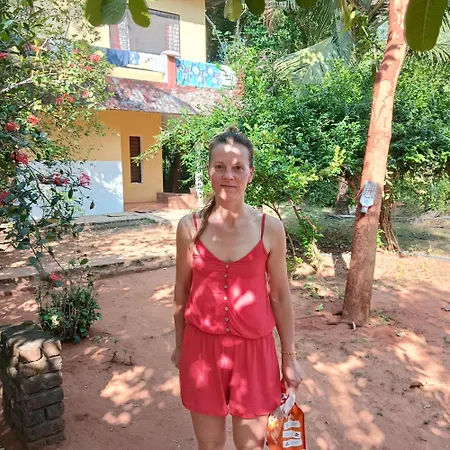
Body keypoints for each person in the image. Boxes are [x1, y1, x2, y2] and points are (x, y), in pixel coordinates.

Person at [171, 127, 304, 450]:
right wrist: (180, 345)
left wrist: (289, 358)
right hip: (201, 352)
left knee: (251, 446)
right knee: (210, 445)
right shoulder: (190, 227)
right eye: (220, 166)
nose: (228, 175)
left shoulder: (270, 228)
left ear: (250, 174)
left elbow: (279, 295)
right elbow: (182, 292)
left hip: (255, 355)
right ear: (209, 171)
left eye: (237, 167)